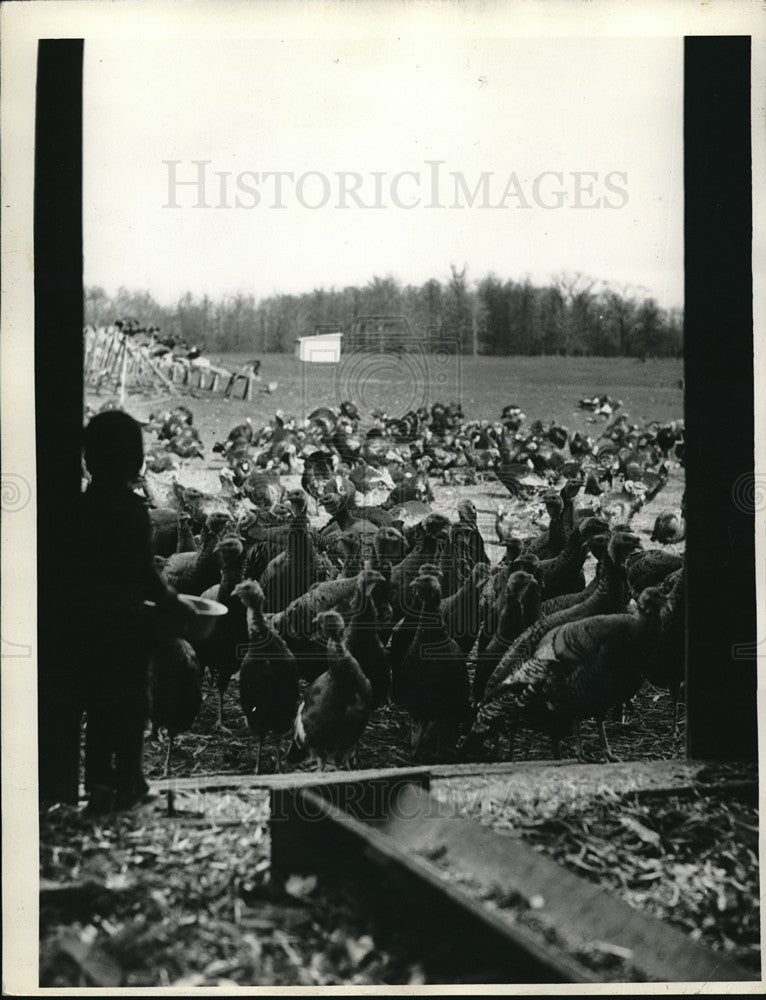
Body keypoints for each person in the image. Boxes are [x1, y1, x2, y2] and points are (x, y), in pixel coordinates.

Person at [79, 410, 192, 813]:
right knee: (131, 703)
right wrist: (173, 601)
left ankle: (97, 781)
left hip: (88, 623)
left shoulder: (83, 506)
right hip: (125, 624)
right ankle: (129, 778)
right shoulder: (130, 511)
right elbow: (143, 571)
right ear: (136, 460)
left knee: (97, 703)